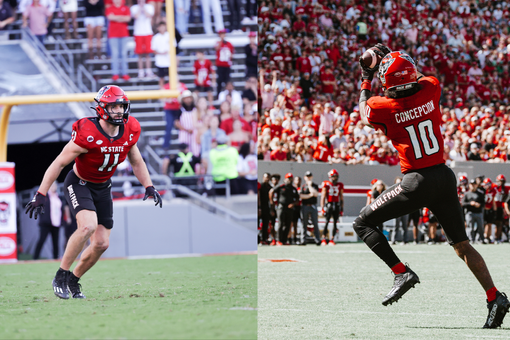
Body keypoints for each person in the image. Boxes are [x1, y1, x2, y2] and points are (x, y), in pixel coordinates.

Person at [355, 45, 509, 328]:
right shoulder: (431, 88)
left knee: (363, 223)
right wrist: (393, 58)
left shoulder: (384, 107)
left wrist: (366, 75)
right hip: (444, 176)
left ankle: (401, 272)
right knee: (462, 245)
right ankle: (494, 296)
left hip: (416, 182)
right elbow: (418, 78)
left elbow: (364, 110)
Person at [25, 85, 162, 300]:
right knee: (87, 226)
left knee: (101, 244)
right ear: (101, 108)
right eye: (113, 106)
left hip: (103, 186)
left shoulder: (129, 130)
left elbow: (136, 160)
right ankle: (61, 274)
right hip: (79, 183)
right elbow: (59, 162)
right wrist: (41, 193)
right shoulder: (87, 133)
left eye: (121, 106)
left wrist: (149, 185)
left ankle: (74, 279)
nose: (118, 110)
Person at [33, 182, 62, 260]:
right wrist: (42, 215)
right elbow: (37, 205)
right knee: (42, 240)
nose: (53, 187)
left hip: (56, 222)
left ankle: (55, 258)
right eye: (52, 185)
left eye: (55, 185)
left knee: (55, 242)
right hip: (45, 222)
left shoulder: (58, 196)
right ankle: (35, 257)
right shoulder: (44, 196)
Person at [269, 173, 299, 246]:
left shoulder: (293, 188)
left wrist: (293, 204)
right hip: (281, 207)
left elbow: (298, 199)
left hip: (290, 208)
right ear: (285, 179)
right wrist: (272, 202)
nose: (289, 180)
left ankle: (284, 240)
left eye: (291, 178)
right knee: (281, 223)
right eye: (288, 178)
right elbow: (271, 191)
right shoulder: (281, 186)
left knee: (287, 224)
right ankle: (278, 239)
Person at [105, 0, 131, 82]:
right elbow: (110, 17)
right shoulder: (110, 8)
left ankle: (125, 73)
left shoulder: (125, 8)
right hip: (113, 35)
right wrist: (121, 17)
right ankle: (115, 73)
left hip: (124, 34)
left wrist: (116, 17)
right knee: (115, 54)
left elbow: (128, 18)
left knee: (123, 54)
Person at [131, 0, 155, 79]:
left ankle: (148, 71)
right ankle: (141, 72)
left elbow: (149, 15)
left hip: (147, 32)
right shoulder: (134, 8)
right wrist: (140, 8)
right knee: (139, 54)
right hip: (138, 33)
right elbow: (136, 16)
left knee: (148, 53)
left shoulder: (149, 7)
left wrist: (143, 8)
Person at [320, 169, 343, 246]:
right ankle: (324, 238)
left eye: (336, 177)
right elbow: (323, 197)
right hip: (329, 204)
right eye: (333, 177)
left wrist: (342, 209)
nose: (335, 178)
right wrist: (322, 208)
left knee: (335, 223)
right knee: (326, 222)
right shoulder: (326, 184)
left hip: (336, 204)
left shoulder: (340, 185)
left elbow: (341, 197)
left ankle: (332, 239)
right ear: (330, 177)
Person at [174, 90, 200, 157]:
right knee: (184, 152)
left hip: (195, 133)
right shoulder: (180, 110)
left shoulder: (196, 109)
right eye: (186, 98)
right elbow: (176, 123)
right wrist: (186, 129)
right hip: (184, 133)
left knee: (196, 152)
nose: (188, 100)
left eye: (189, 98)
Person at [300, 171, 321, 245]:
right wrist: (310, 195)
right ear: (305, 177)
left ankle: (317, 239)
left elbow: (315, 194)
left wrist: (309, 186)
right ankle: (303, 239)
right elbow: (301, 196)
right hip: (305, 206)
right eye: (307, 176)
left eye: (309, 176)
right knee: (304, 224)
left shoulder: (315, 185)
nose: (308, 178)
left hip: (313, 206)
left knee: (315, 223)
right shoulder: (303, 186)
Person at [462, 179, 485, 243]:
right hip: (470, 213)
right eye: (471, 184)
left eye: (474, 184)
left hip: (478, 212)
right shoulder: (467, 194)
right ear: (469, 185)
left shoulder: (480, 193)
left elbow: (483, 203)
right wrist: (470, 203)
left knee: (480, 227)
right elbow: (463, 203)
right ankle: (471, 240)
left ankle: (481, 239)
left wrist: (479, 205)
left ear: (476, 185)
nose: (473, 186)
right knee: (470, 227)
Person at [390, 177, 409, 245]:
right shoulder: (393, 191)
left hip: (405, 210)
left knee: (405, 226)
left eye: (400, 181)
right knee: (396, 226)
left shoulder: (406, 190)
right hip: (396, 211)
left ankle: (405, 240)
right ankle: (394, 240)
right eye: (397, 182)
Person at [215, 29, 234, 96]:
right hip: (220, 65)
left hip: (227, 65)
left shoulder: (229, 44)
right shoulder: (218, 42)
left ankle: (228, 94)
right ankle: (218, 94)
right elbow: (217, 48)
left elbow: (232, 54)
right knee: (219, 80)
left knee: (227, 81)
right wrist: (221, 41)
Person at [493, 174, 509, 244]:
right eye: (500, 181)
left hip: (500, 208)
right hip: (493, 207)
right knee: (489, 223)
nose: (501, 183)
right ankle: (490, 237)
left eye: (502, 181)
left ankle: (498, 238)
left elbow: (506, 199)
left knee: (499, 223)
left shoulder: (506, 188)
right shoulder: (494, 186)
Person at [258, 172, 272, 245]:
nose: (267, 179)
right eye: (266, 177)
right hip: (260, 207)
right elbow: (258, 197)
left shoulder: (270, 187)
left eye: (268, 177)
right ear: (263, 177)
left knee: (265, 224)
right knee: (257, 224)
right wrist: (259, 208)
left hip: (267, 207)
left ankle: (264, 239)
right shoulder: (260, 186)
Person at [482, 178, 497, 244]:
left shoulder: (493, 190)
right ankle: (484, 236)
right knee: (483, 224)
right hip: (483, 209)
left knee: (489, 224)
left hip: (490, 209)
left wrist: (495, 208)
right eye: (486, 184)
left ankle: (488, 237)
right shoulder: (482, 190)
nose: (487, 185)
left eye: (488, 184)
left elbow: (493, 199)